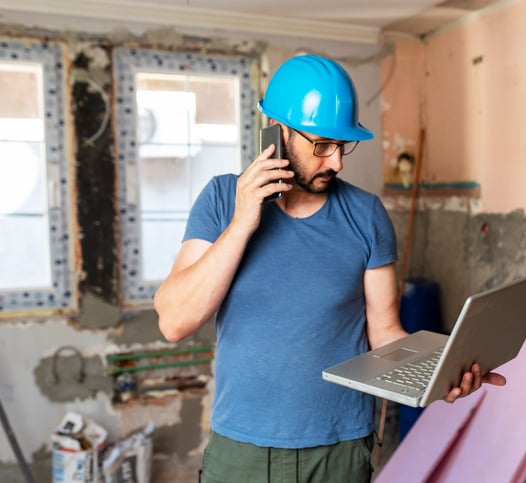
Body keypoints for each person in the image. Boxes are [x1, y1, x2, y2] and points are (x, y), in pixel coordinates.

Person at [153, 54, 506, 483]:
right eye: (321, 145)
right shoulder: (221, 200)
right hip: (241, 449)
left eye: (343, 146)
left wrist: (443, 370)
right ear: (277, 131)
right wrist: (244, 221)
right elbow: (174, 321)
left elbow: (385, 334)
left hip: (340, 449)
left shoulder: (366, 215)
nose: (336, 162)